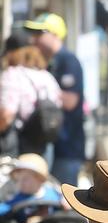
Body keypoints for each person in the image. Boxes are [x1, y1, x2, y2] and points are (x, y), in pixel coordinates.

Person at [23, 13, 85, 185]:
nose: (34, 40)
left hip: (66, 148)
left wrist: (41, 90)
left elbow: (71, 101)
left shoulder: (68, 61)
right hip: (46, 146)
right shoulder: (46, 62)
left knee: (63, 203)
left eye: (39, 34)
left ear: (55, 35)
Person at [0, 29, 62, 157]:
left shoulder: (12, 75)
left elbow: (6, 115)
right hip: (45, 148)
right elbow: (58, 103)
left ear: (12, 53)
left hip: (21, 147)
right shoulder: (46, 77)